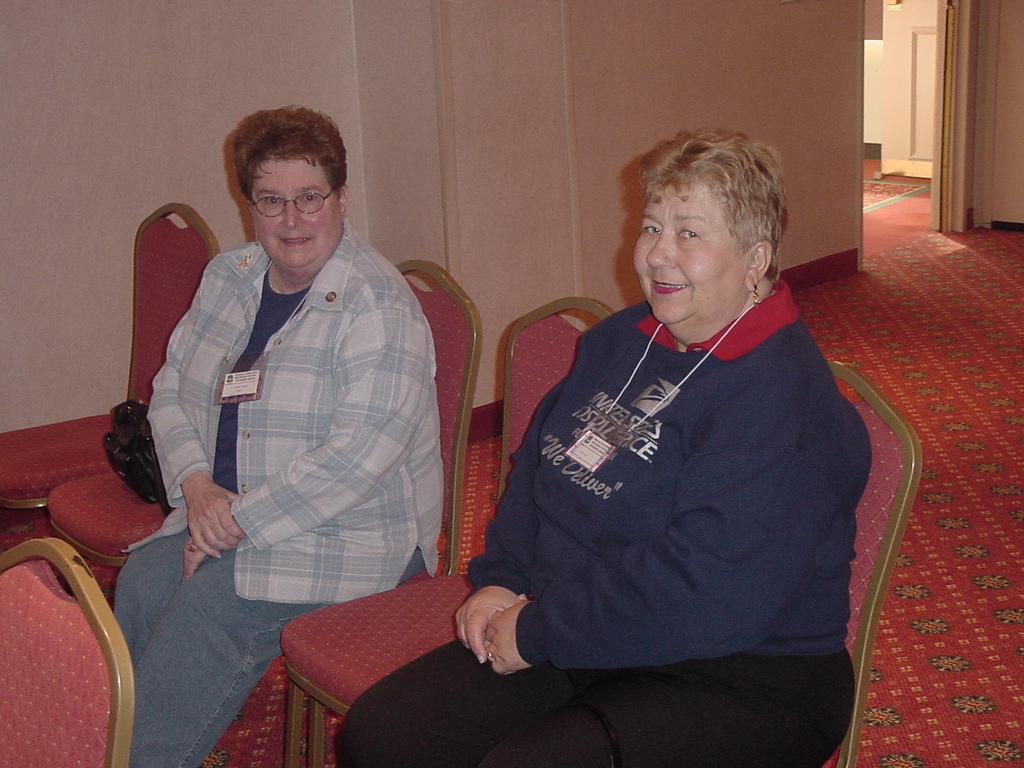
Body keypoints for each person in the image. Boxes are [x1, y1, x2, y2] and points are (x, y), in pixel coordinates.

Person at [342, 129, 872, 768]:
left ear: (756, 258)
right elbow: (541, 465)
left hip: (740, 670)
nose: (659, 254)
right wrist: (503, 578)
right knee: (384, 734)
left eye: (690, 233)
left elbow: (706, 590)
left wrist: (539, 630)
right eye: (652, 228)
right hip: (589, 625)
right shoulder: (625, 340)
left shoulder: (783, 403)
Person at [113, 106, 443, 768]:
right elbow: (171, 388)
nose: (291, 220)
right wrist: (197, 488)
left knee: (207, 610)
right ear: (250, 206)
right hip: (224, 510)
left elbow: (354, 464)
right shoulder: (229, 278)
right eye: (271, 200)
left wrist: (229, 524)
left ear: (341, 198)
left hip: (350, 536)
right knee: (145, 579)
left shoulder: (378, 305)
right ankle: (139, 741)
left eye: (309, 197)